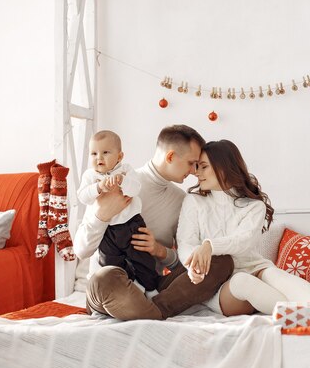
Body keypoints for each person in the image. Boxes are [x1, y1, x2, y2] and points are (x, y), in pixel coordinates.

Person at [177, 140, 310, 321]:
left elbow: (243, 241)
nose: (197, 173)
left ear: (223, 167)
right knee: (242, 281)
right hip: (221, 284)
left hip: (254, 267)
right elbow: (185, 242)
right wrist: (193, 264)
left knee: (279, 276)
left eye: (203, 166)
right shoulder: (194, 201)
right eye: (196, 167)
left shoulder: (253, 206)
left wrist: (210, 245)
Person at [74, 125, 234, 320]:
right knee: (104, 280)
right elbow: (81, 250)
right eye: (191, 163)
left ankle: (153, 311)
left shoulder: (181, 200)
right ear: (170, 157)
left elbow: (183, 261)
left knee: (220, 261)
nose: (194, 171)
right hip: (112, 286)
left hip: (152, 286)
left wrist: (159, 251)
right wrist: (102, 216)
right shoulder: (117, 182)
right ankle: (155, 312)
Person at [77, 130, 157, 294]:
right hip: (106, 231)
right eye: (94, 153)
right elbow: (83, 196)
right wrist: (99, 187)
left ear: (119, 157)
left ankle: (151, 289)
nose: (99, 158)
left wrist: (123, 181)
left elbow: (135, 189)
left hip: (131, 225)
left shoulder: (126, 170)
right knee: (111, 263)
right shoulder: (90, 176)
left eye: (105, 152)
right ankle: (124, 288)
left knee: (142, 259)